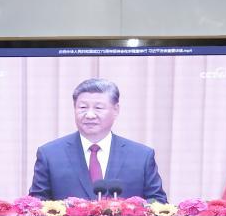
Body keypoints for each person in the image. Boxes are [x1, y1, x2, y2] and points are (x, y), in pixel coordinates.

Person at [28, 78, 166, 201]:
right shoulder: (50, 154)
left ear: (116, 110)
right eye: (83, 107)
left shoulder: (141, 156)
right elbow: (35, 205)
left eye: (98, 108)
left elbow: (158, 203)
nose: (89, 115)